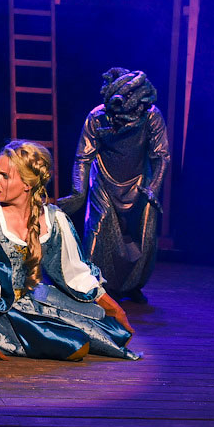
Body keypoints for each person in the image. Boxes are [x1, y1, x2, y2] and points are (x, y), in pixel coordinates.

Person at [0, 140, 140, 363]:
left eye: (4, 176)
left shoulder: (54, 218)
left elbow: (74, 271)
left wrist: (111, 306)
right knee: (76, 347)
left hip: (35, 300)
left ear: (27, 184)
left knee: (113, 330)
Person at [60, 68, 170, 302]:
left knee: (144, 235)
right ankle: (93, 284)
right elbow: (83, 157)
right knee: (98, 229)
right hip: (104, 179)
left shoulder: (151, 116)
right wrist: (78, 193)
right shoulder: (97, 117)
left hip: (139, 181)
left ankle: (132, 285)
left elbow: (161, 155)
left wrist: (153, 188)